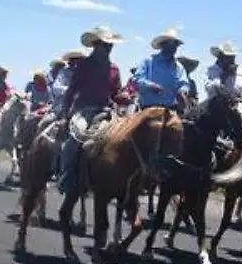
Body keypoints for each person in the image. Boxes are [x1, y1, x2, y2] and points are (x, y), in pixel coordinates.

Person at [58, 26, 124, 197]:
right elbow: (71, 91)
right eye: (105, 45)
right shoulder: (84, 65)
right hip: (84, 110)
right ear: (95, 45)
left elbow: (116, 93)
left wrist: (125, 97)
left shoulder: (114, 69)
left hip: (106, 110)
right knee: (74, 141)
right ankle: (66, 176)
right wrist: (66, 114)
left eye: (110, 46)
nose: (109, 49)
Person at [132, 28, 191, 111]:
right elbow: (136, 80)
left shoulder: (178, 67)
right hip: (147, 109)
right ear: (163, 45)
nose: (173, 47)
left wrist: (183, 91)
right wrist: (151, 86)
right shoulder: (147, 61)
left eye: (175, 44)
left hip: (169, 110)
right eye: (171, 44)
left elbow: (184, 83)